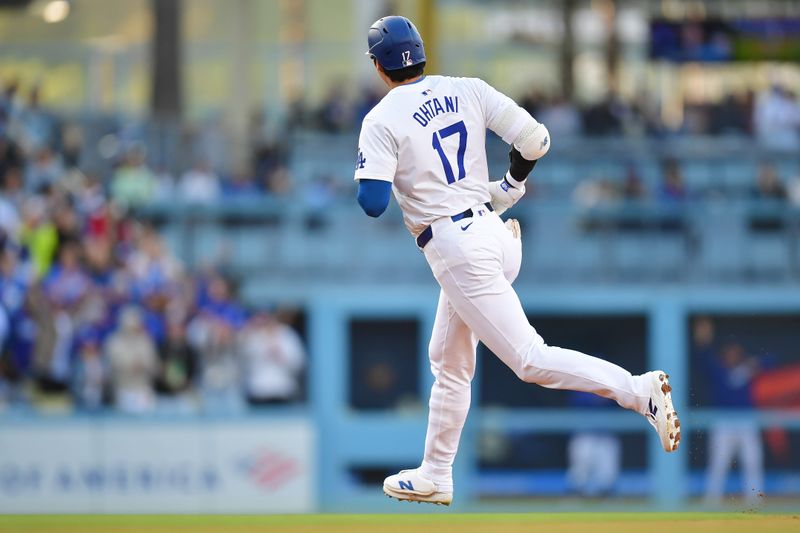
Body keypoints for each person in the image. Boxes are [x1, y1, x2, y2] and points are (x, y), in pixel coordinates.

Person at [354, 16, 680, 506]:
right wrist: (508, 186)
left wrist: (386, 168)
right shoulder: (466, 88)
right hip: (494, 232)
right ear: (421, 54)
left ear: (379, 66)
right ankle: (437, 473)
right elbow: (536, 141)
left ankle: (638, 390)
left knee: (530, 360)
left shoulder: (381, 119)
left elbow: (372, 202)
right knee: (448, 360)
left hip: (457, 246)